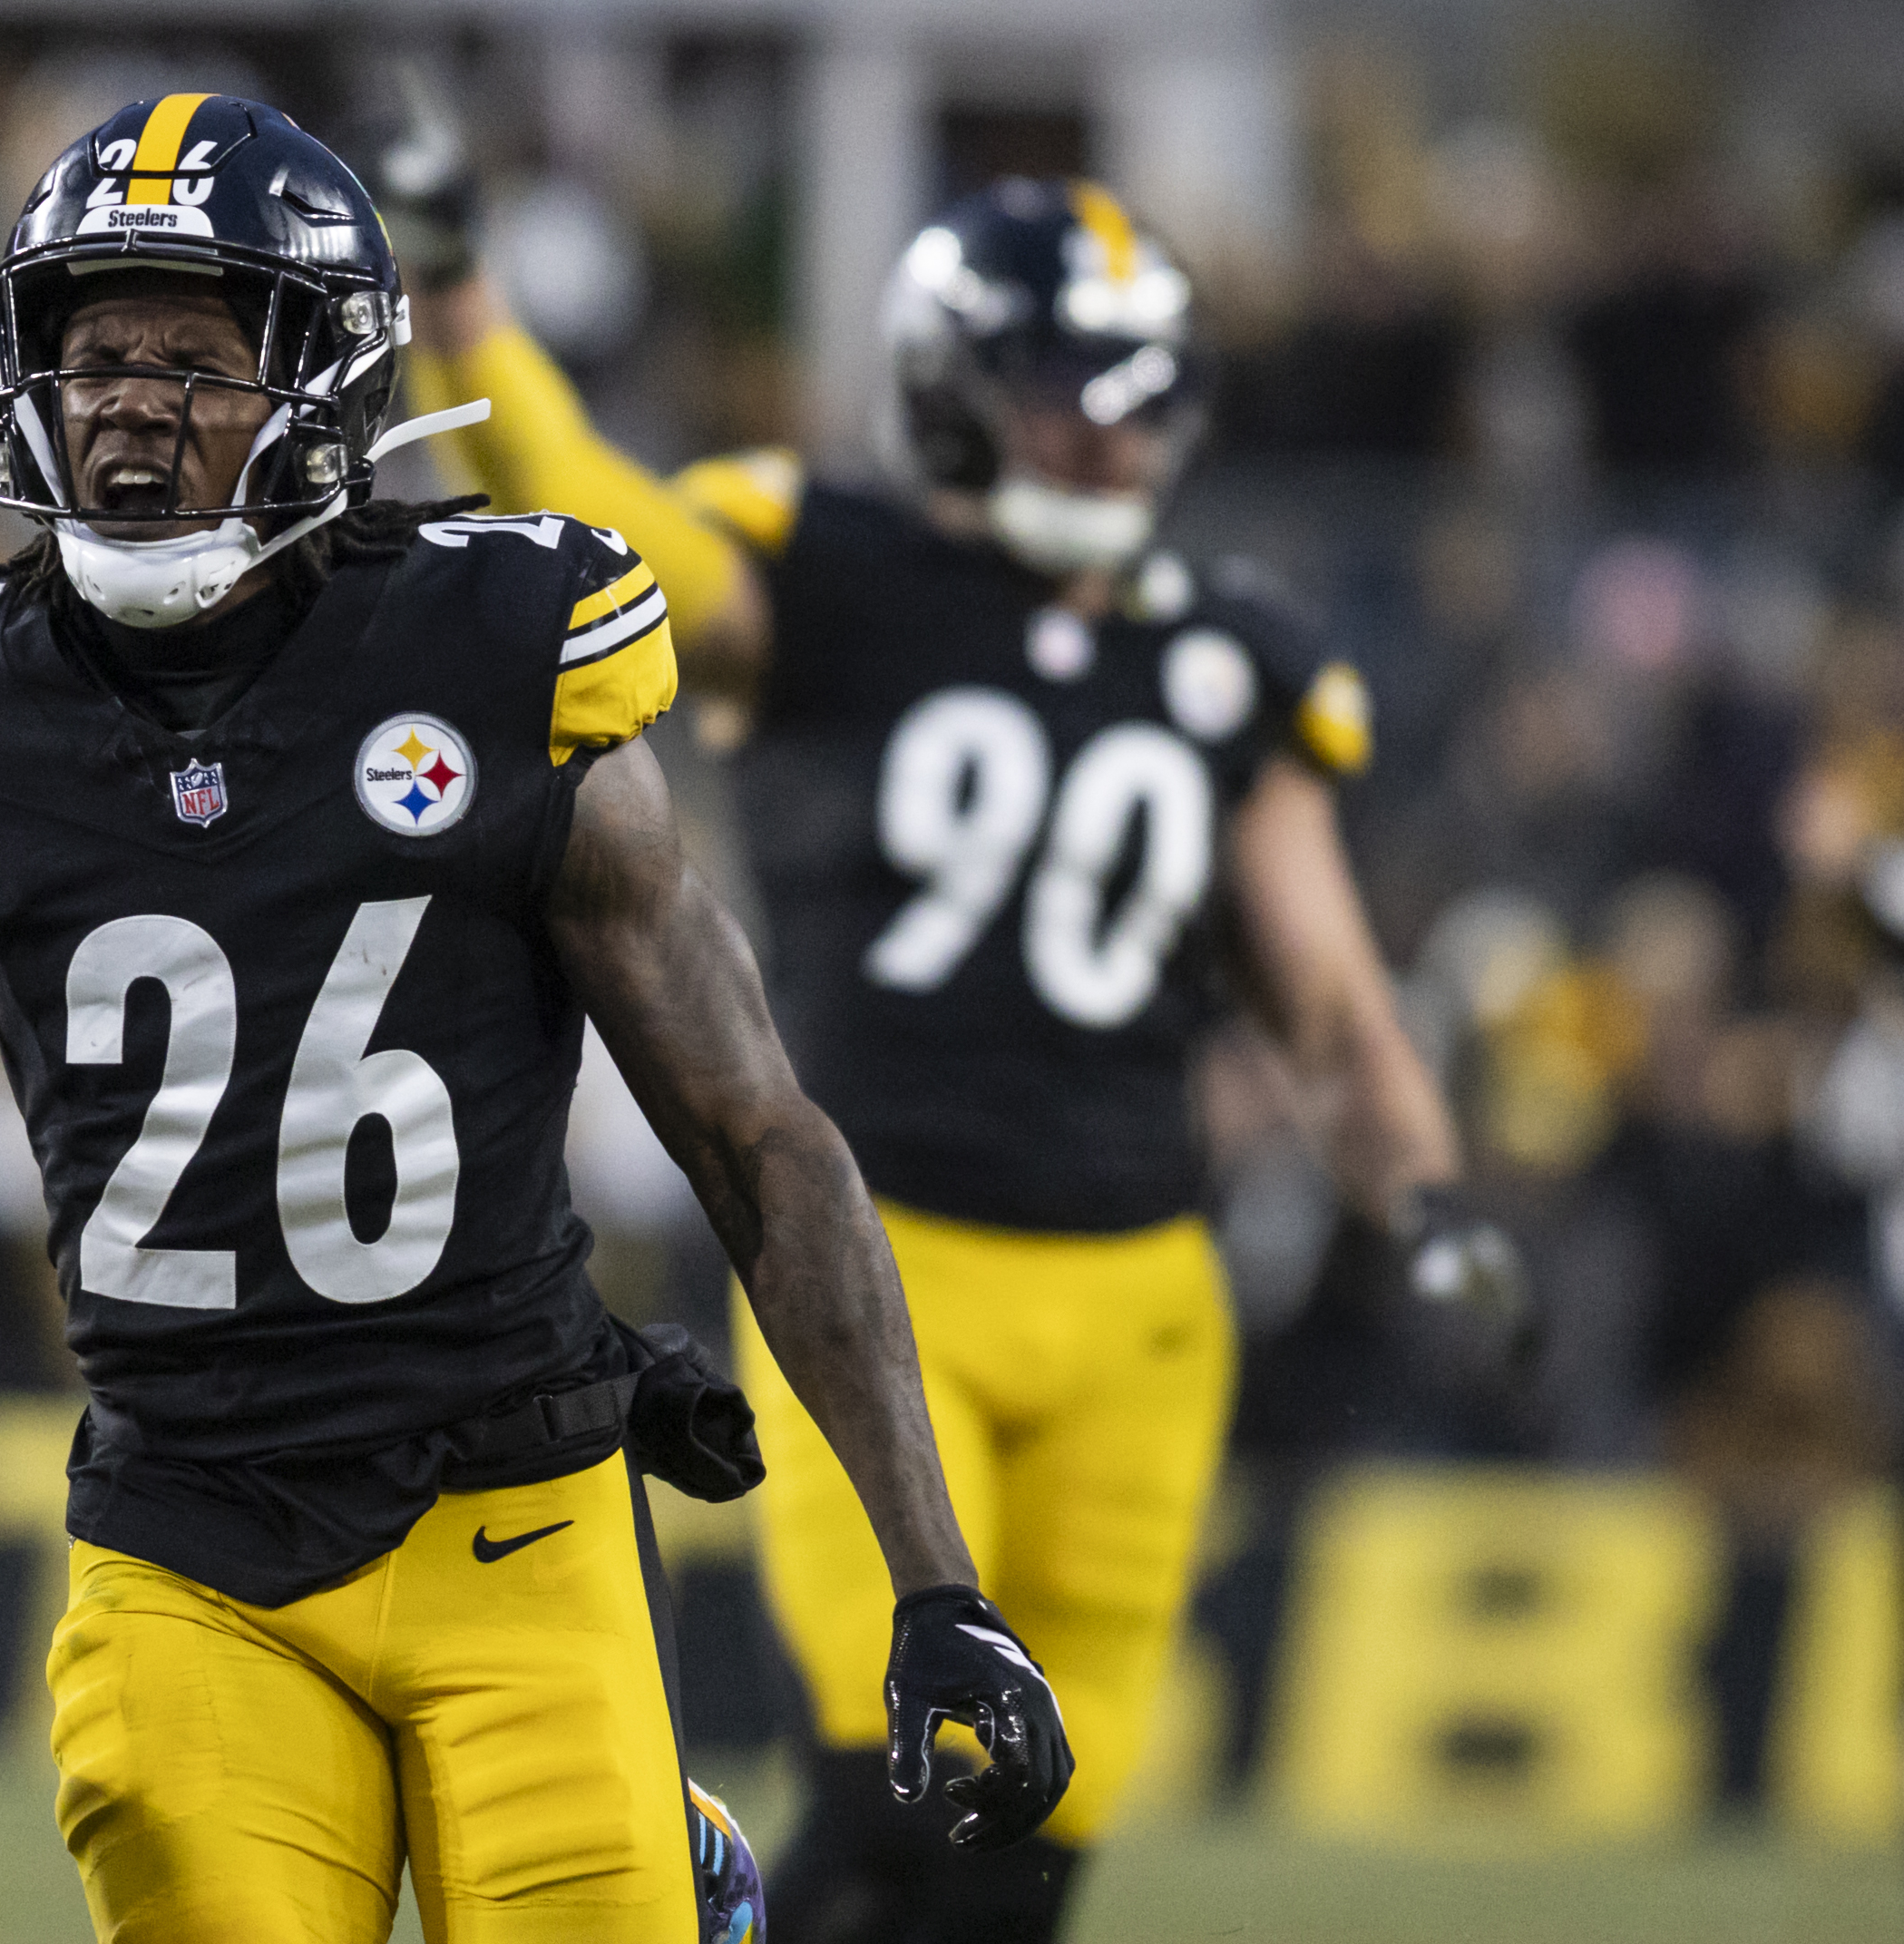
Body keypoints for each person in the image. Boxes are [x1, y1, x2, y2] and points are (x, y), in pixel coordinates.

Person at [0, 93, 1072, 1943]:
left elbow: (757, 1137)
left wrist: (938, 1585)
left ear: (333, 388)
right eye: (92, 349)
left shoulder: (498, 642)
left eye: (197, 357)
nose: (129, 397)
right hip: (183, 1545)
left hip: (513, 1509)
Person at [386, 157, 1523, 1941]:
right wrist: (460, 299)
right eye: (1067, 381)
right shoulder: (829, 570)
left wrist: (1430, 1196)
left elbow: (1325, 994)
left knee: (1028, 1858)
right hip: (884, 1265)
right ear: (950, 381)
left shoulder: (1233, 651)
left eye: (1139, 388)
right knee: (893, 1791)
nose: (1109, 433)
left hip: (1147, 1300)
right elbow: (585, 507)